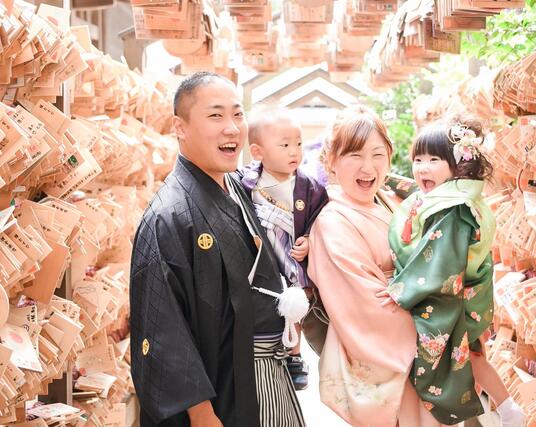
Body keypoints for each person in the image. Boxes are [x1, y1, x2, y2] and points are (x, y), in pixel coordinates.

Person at [129, 72, 305, 427]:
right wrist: (201, 413)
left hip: (265, 374)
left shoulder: (237, 188)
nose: (232, 128)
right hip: (220, 393)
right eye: (215, 115)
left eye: (237, 115)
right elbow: (163, 328)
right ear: (180, 127)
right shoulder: (169, 216)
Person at [380, 117, 525, 426]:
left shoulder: (455, 207)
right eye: (418, 159)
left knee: (440, 370)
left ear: (456, 165)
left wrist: (400, 289)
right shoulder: (451, 195)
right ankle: (508, 408)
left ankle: (506, 408)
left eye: (434, 159)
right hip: (464, 293)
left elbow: (438, 261)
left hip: (450, 296)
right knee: (469, 356)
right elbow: (414, 194)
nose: (422, 168)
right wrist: (385, 179)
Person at [307, 105, 439, 427]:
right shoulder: (332, 222)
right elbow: (367, 308)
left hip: (422, 330)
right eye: (354, 155)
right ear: (332, 161)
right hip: (399, 352)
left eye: (377, 154)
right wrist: (439, 329)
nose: (368, 167)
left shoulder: (390, 200)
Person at [237, 109, 328, 390]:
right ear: (257, 151)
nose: (294, 151)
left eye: (299, 144)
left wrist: (310, 239)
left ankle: (294, 354)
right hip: (260, 255)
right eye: (285, 144)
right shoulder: (245, 183)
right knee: (265, 301)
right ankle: (265, 348)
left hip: (290, 254)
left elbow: (321, 218)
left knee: (295, 300)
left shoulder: (309, 187)